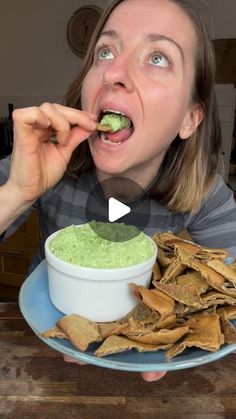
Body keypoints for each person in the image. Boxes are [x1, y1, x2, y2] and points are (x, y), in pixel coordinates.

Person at [1, 0, 236, 383]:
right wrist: (18, 192)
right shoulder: (42, 163)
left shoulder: (204, 192)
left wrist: (180, 336)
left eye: (158, 57)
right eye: (105, 51)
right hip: (37, 360)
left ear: (189, 119)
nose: (114, 72)